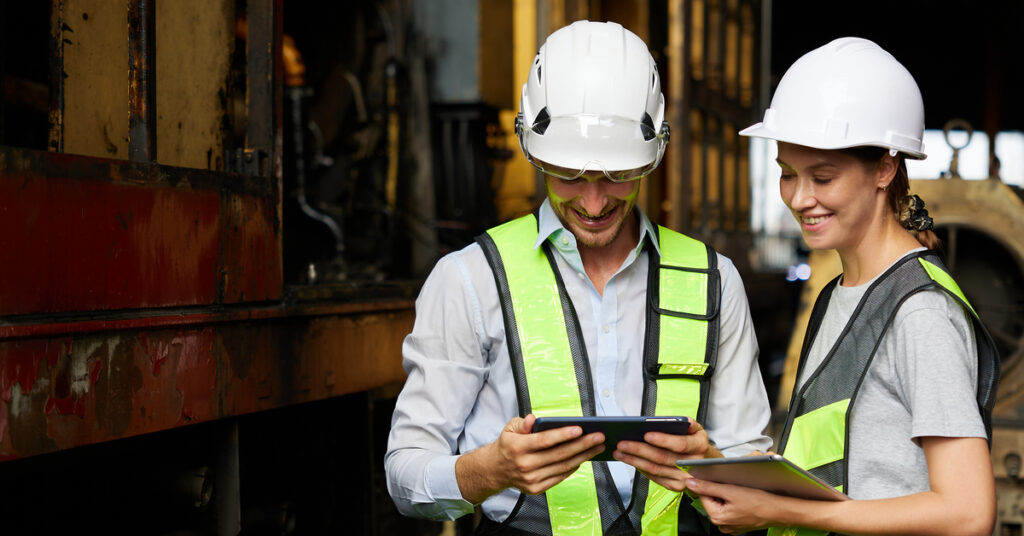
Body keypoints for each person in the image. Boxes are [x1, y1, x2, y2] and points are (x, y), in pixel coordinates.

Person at [385, 20, 772, 535]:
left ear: (653, 152)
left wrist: (711, 464)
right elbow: (405, 474)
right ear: (534, 150)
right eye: (568, 175)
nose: (593, 202)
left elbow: (755, 491)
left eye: (616, 175)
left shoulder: (713, 280)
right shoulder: (469, 279)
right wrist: (490, 470)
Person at [684, 37, 1000, 536]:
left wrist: (779, 511)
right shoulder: (839, 292)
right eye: (788, 174)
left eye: (823, 177)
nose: (800, 198)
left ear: (885, 168)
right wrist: (707, 460)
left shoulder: (920, 313)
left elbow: (968, 513)